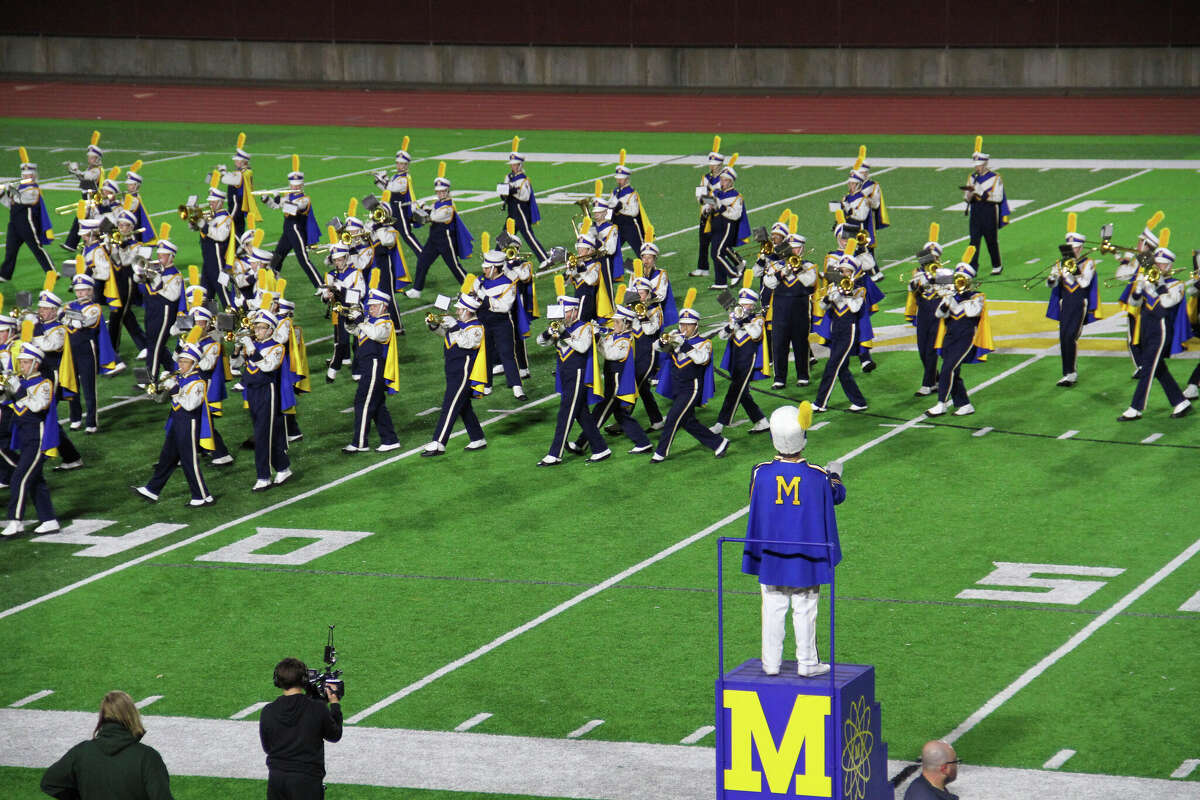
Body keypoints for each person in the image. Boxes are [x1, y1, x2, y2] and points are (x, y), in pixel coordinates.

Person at [741, 403, 844, 677]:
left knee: (773, 608)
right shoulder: (817, 475)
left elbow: (754, 498)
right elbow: (837, 495)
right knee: (805, 609)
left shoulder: (759, 472)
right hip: (805, 555)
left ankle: (770, 662)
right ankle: (807, 663)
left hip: (772, 554)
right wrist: (835, 475)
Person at [40, 690, 174, 800]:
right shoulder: (148, 757)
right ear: (133, 716)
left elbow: (50, 782)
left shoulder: (82, 752)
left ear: (102, 717)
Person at [130, 338, 216, 507]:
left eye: (186, 362)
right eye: (181, 361)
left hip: (189, 424)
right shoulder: (179, 378)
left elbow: (190, 405)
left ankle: (203, 496)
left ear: (194, 363)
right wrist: (158, 388)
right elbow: (160, 399)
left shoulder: (198, 382)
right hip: (176, 422)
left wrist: (174, 389)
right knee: (167, 457)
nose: (181, 364)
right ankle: (152, 490)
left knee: (189, 461)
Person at [1118, 235, 1192, 421]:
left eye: (1160, 265)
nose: (1156, 268)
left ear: (1168, 266)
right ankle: (1180, 402)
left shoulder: (1177, 285)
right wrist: (1137, 288)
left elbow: (1167, 302)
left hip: (1161, 330)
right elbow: (1134, 303)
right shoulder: (1147, 280)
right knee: (1158, 369)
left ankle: (1136, 408)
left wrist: (1156, 283)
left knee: (1148, 368)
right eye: (1155, 264)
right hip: (1145, 328)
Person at [535, 296, 610, 466]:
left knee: (565, 414)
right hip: (565, 374)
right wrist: (549, 332)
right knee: (582, 415)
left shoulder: (585, 327)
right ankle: (600, 448)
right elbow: (540, 342)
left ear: (575, 311)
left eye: (566, 311)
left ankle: (555, 454)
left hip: (578, 374)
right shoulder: (560, 326)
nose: (563, 315)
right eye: (562, 311)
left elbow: (582, 347)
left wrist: (563, 333)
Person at [650, 308, 729, 462]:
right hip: (677, 387)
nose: (684, 328)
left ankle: (660, 452)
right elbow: (655, 347)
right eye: (682, 324)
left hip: (692, 387)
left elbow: (702, 359)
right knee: (687, 421)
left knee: (673, 417)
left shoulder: (704, 343)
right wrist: (664, 341)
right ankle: (719, 443)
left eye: (689, 325)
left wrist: (684, 345)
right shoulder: (676, 337)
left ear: (696, 326)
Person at [259, 657, 343, 800]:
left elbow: (267, 747)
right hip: (306, 780)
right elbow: (334, 735)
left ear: (277, 681)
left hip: (276, 779)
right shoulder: (317, 708)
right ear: (304, 680)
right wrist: (334, 704)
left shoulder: (267, 710)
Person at [1, 339, 60, 537]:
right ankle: (49, 520)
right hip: (25, 437)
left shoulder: (44, 383)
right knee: (35, 480)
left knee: (20, 478)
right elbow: (6, 401)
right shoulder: (22, 381)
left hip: (38, 438)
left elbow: (37, 406)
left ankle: (15, 521)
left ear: (36, 364)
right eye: (21, 361)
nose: (22, 365)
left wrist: (18, 389)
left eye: (26, 362)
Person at [926, 255, 994, 418]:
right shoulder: (951, 296)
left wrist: (955, 299)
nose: (959, 282)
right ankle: (964, 404)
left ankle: (941, 404)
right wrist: (947, 298)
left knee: (948, 369)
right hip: (949, 337)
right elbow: (939, 314)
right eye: (958, 279)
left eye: (963, 280)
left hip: (966, 337)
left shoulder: (977, 297)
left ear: (969, 281)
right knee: (953, 372)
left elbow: (972, 312)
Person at [422, 293, 488, 456]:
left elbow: (467, 342)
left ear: (467, 310)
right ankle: (477, 438)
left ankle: (439, 443)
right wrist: (435, 325)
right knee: (463, 406)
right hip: (452, 370)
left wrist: (454, 326)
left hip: (463, 372)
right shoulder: (460, 324)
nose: (457, 311)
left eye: (459, 309)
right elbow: (449, 337)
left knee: (449, 406)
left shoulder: (476, 328)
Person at [343, 290, 401, 453]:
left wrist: (360, 319)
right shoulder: (370, 321)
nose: (371, 309)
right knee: (377, 405)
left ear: (384, 307)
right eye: (370, 306)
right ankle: (390, 439)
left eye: (374, 306)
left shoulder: (386, 323)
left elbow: (376, 334)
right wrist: (349, 320)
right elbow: (355, 331)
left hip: (375, 366)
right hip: (367, 366)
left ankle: (360, 443)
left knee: (363, 402)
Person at [1045, 216, 1098, 387]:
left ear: (1081, 248)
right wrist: (1053, 276)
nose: (1073, 252)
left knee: (1070, 336)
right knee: (1063, 337)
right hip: (1065, 304)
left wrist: (1072, 271)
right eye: (1070, 249)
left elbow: (1084, 283)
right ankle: (1067, 373)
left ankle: (1072, 372)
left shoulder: (1088, 263)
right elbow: (1051, 285)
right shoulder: (1060, 264)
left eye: (1075, 249)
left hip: (1079, 303)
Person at [812, 255, 869, 413]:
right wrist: (830, 296)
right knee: (842, 369)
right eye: (841, 271)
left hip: (848, 332)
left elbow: (855, 308)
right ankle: (859, 401)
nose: (843, 274)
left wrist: (848, 293)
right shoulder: (834, 287)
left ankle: (820, 402)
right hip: (835, 330)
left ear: (852, 273)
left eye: (846, 271)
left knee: (832, 366)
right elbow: (822, 307)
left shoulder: (859, 289)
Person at [407, 164, 473, 299]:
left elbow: (432, 217)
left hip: (445, 240)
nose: (440, 193)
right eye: (438, 191)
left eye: (443, 191)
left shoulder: (448, 207)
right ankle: (417, 289)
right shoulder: (437, 203)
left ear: (447, 191)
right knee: (423, 261)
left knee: (454, 266)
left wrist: (418, 209)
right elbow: (431, 210)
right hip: (434, 239)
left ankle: (471, 287)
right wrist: (421, 207)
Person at [713, 288, 770, 435]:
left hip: (749, 359)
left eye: (746, 305)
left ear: (752, 306)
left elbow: (756, 334)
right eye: (741, 304)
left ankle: (721, 423)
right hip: (735, 359)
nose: (743, 307)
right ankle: (762, 421)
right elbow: (722, 336)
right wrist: (731, 326)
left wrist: (744, 320)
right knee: (742, 393)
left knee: (735, 390)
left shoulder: (757, 319)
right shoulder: (735, 317)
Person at [1, 153, 55, 279]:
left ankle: (51, 271)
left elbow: (22, 200)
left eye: (29, 175)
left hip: (27, 223)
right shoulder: (20, 188)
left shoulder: (34, 189)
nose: (26, 176)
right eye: (24, 175)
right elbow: (11, 204)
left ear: (34, 175)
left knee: (36, 248)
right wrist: (2, 195)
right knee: (10, 249)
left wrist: (11, 191)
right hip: (14, 223)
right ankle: (4, 274)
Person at [963, 138, 1009, 276]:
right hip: (975, 211)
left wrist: (981, 192)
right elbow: (966, 197)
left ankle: (997, 265)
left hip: (989, 211)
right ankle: (973, 267)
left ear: (985, 163)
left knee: (991, 241)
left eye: (980, 164)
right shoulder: (971, 177)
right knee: (973, 241)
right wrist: (969, 195)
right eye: (976, 164)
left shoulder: (995, 178)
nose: (977, 167)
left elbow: (998, 197)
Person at [374, 139, 424, 260]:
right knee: (384, 232)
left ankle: (423, 255)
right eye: (398, 163)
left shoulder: (404, 178)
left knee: (407, 235)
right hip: (394, 209)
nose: (399, 166)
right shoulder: (396, 176)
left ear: (407, 165)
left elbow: (393, 187)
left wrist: (384, 180)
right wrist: (378, 180)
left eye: (402, 164)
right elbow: (387, 190)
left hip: (401, 210)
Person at [498, 144, 549, 263]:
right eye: (512, 164)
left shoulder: (523, 179)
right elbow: (505, 193)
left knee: (528, 235)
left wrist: (513, 191)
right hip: (512, 210)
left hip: (521, 210)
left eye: (515, 164)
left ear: (520, 165)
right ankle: (496, 260)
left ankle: (545, 259)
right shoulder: (509, 177)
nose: (513, 166)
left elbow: (525, 197)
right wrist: (503, 193)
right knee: (505, 235)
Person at [690, 136, 724, 279]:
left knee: (722, 245)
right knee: (703, 242)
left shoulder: (725, 179)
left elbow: (723, 198)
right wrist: (706, 201)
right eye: (711, 164)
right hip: (705, 214)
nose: (712, 166)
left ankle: (736, 265)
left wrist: (711, 199)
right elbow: (699, 195)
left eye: (715, 164)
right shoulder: (705, 178)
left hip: (719, 216)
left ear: (720, 164)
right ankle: (703, 267)